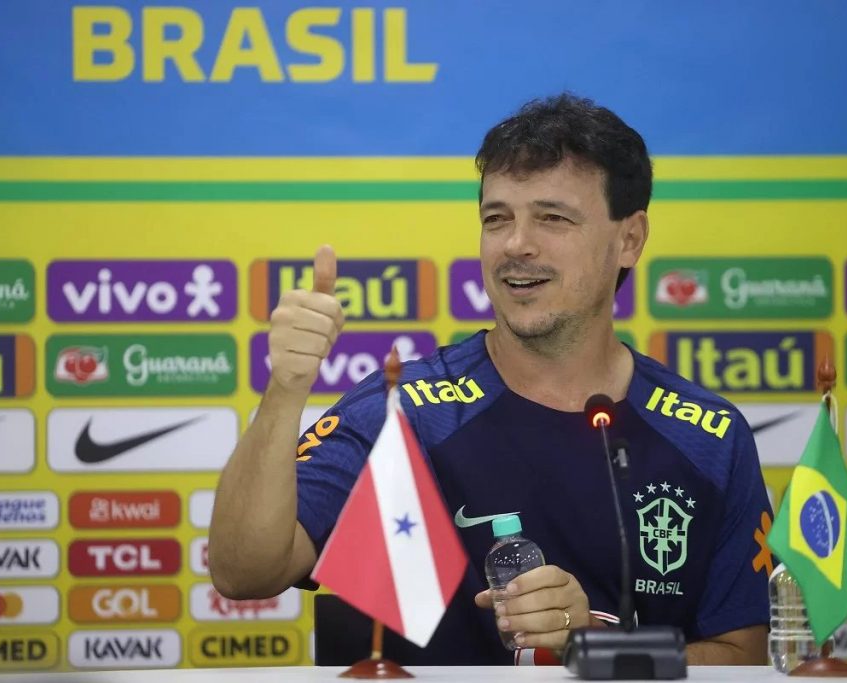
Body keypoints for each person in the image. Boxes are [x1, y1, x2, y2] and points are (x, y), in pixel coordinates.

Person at [209, 94, 771, 665]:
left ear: (630, 238)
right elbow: (241, 572)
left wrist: (598, 648)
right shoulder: (405, 411)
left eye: (553, 218)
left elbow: (744, 657)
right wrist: (284, 390)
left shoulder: (709, 436)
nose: (515, 245)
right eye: (496, 218)